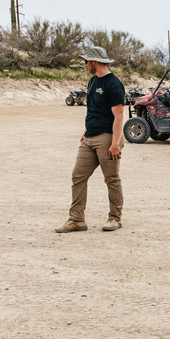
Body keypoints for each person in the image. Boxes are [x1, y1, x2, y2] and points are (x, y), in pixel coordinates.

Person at [55, 46, 126, 233]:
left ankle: (115, 219)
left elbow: (118, 116)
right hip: (89, 137)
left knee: (111, 179)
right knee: (78, 176)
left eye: (86, 61)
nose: (85, 65)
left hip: (107, 138)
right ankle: (76, 219)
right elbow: (93, 110)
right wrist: (86, 130)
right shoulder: (92, 81)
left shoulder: (114, 84)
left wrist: (115, 143)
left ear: (94, 62)